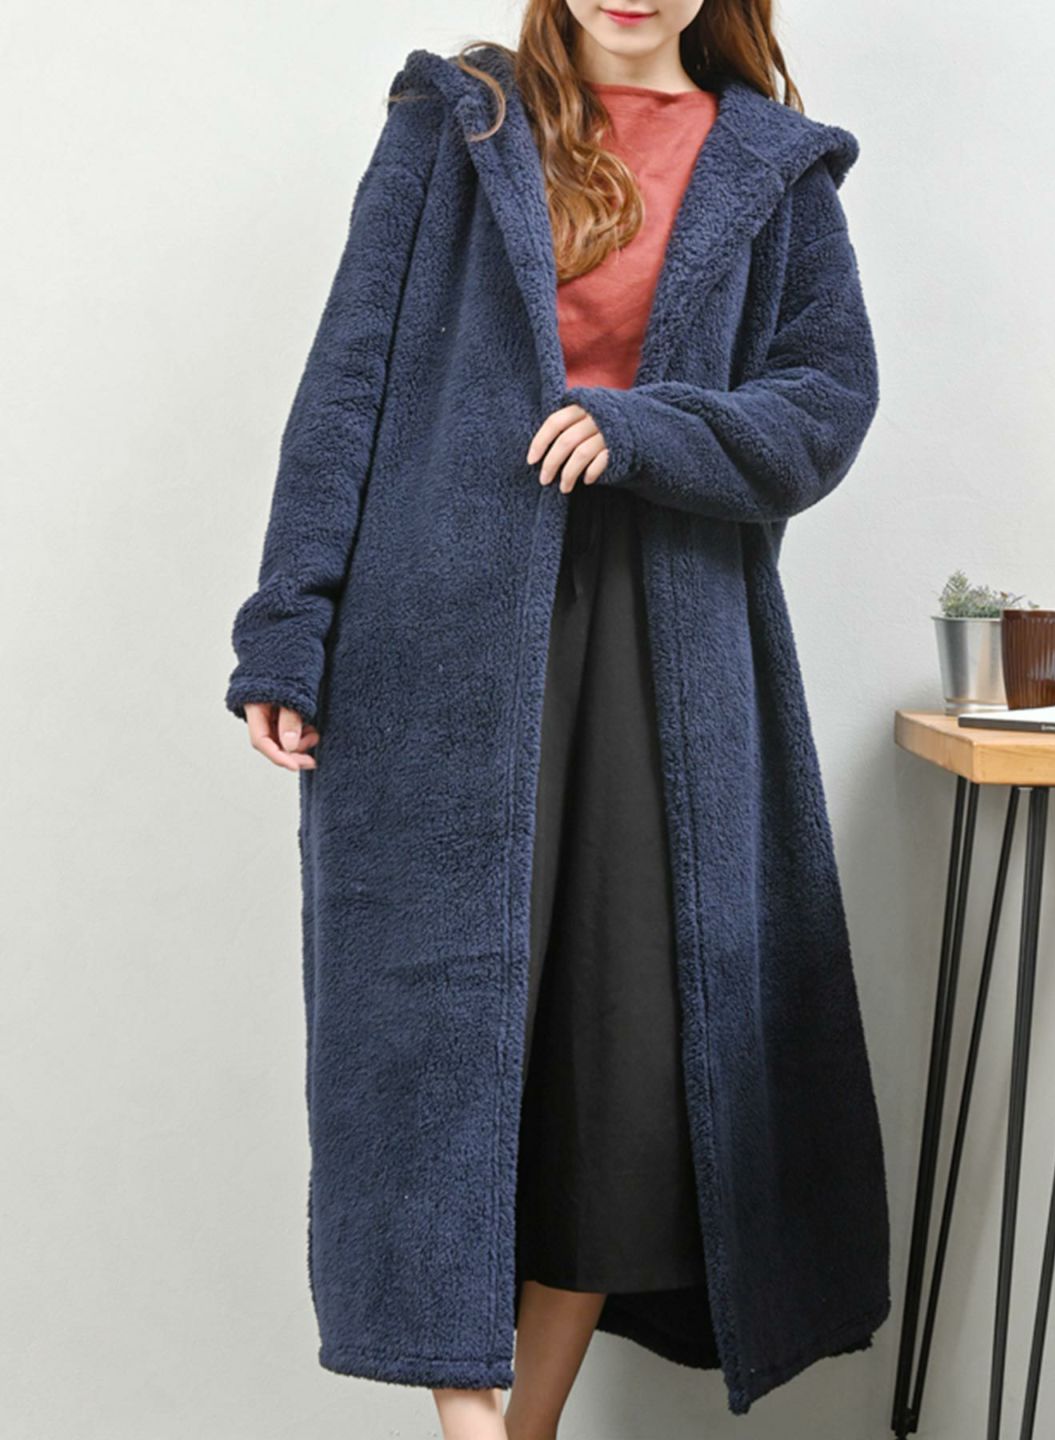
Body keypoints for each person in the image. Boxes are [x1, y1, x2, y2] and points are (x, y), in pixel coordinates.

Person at [225, 4, 890, 1438]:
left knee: (622, 1073)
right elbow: (350, 379)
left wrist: (647, 429)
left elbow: (826, 405)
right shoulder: (458, 122)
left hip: (672, 656)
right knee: (442, 1062)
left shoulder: (775, 167)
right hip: (438, 645)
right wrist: (290, 620)